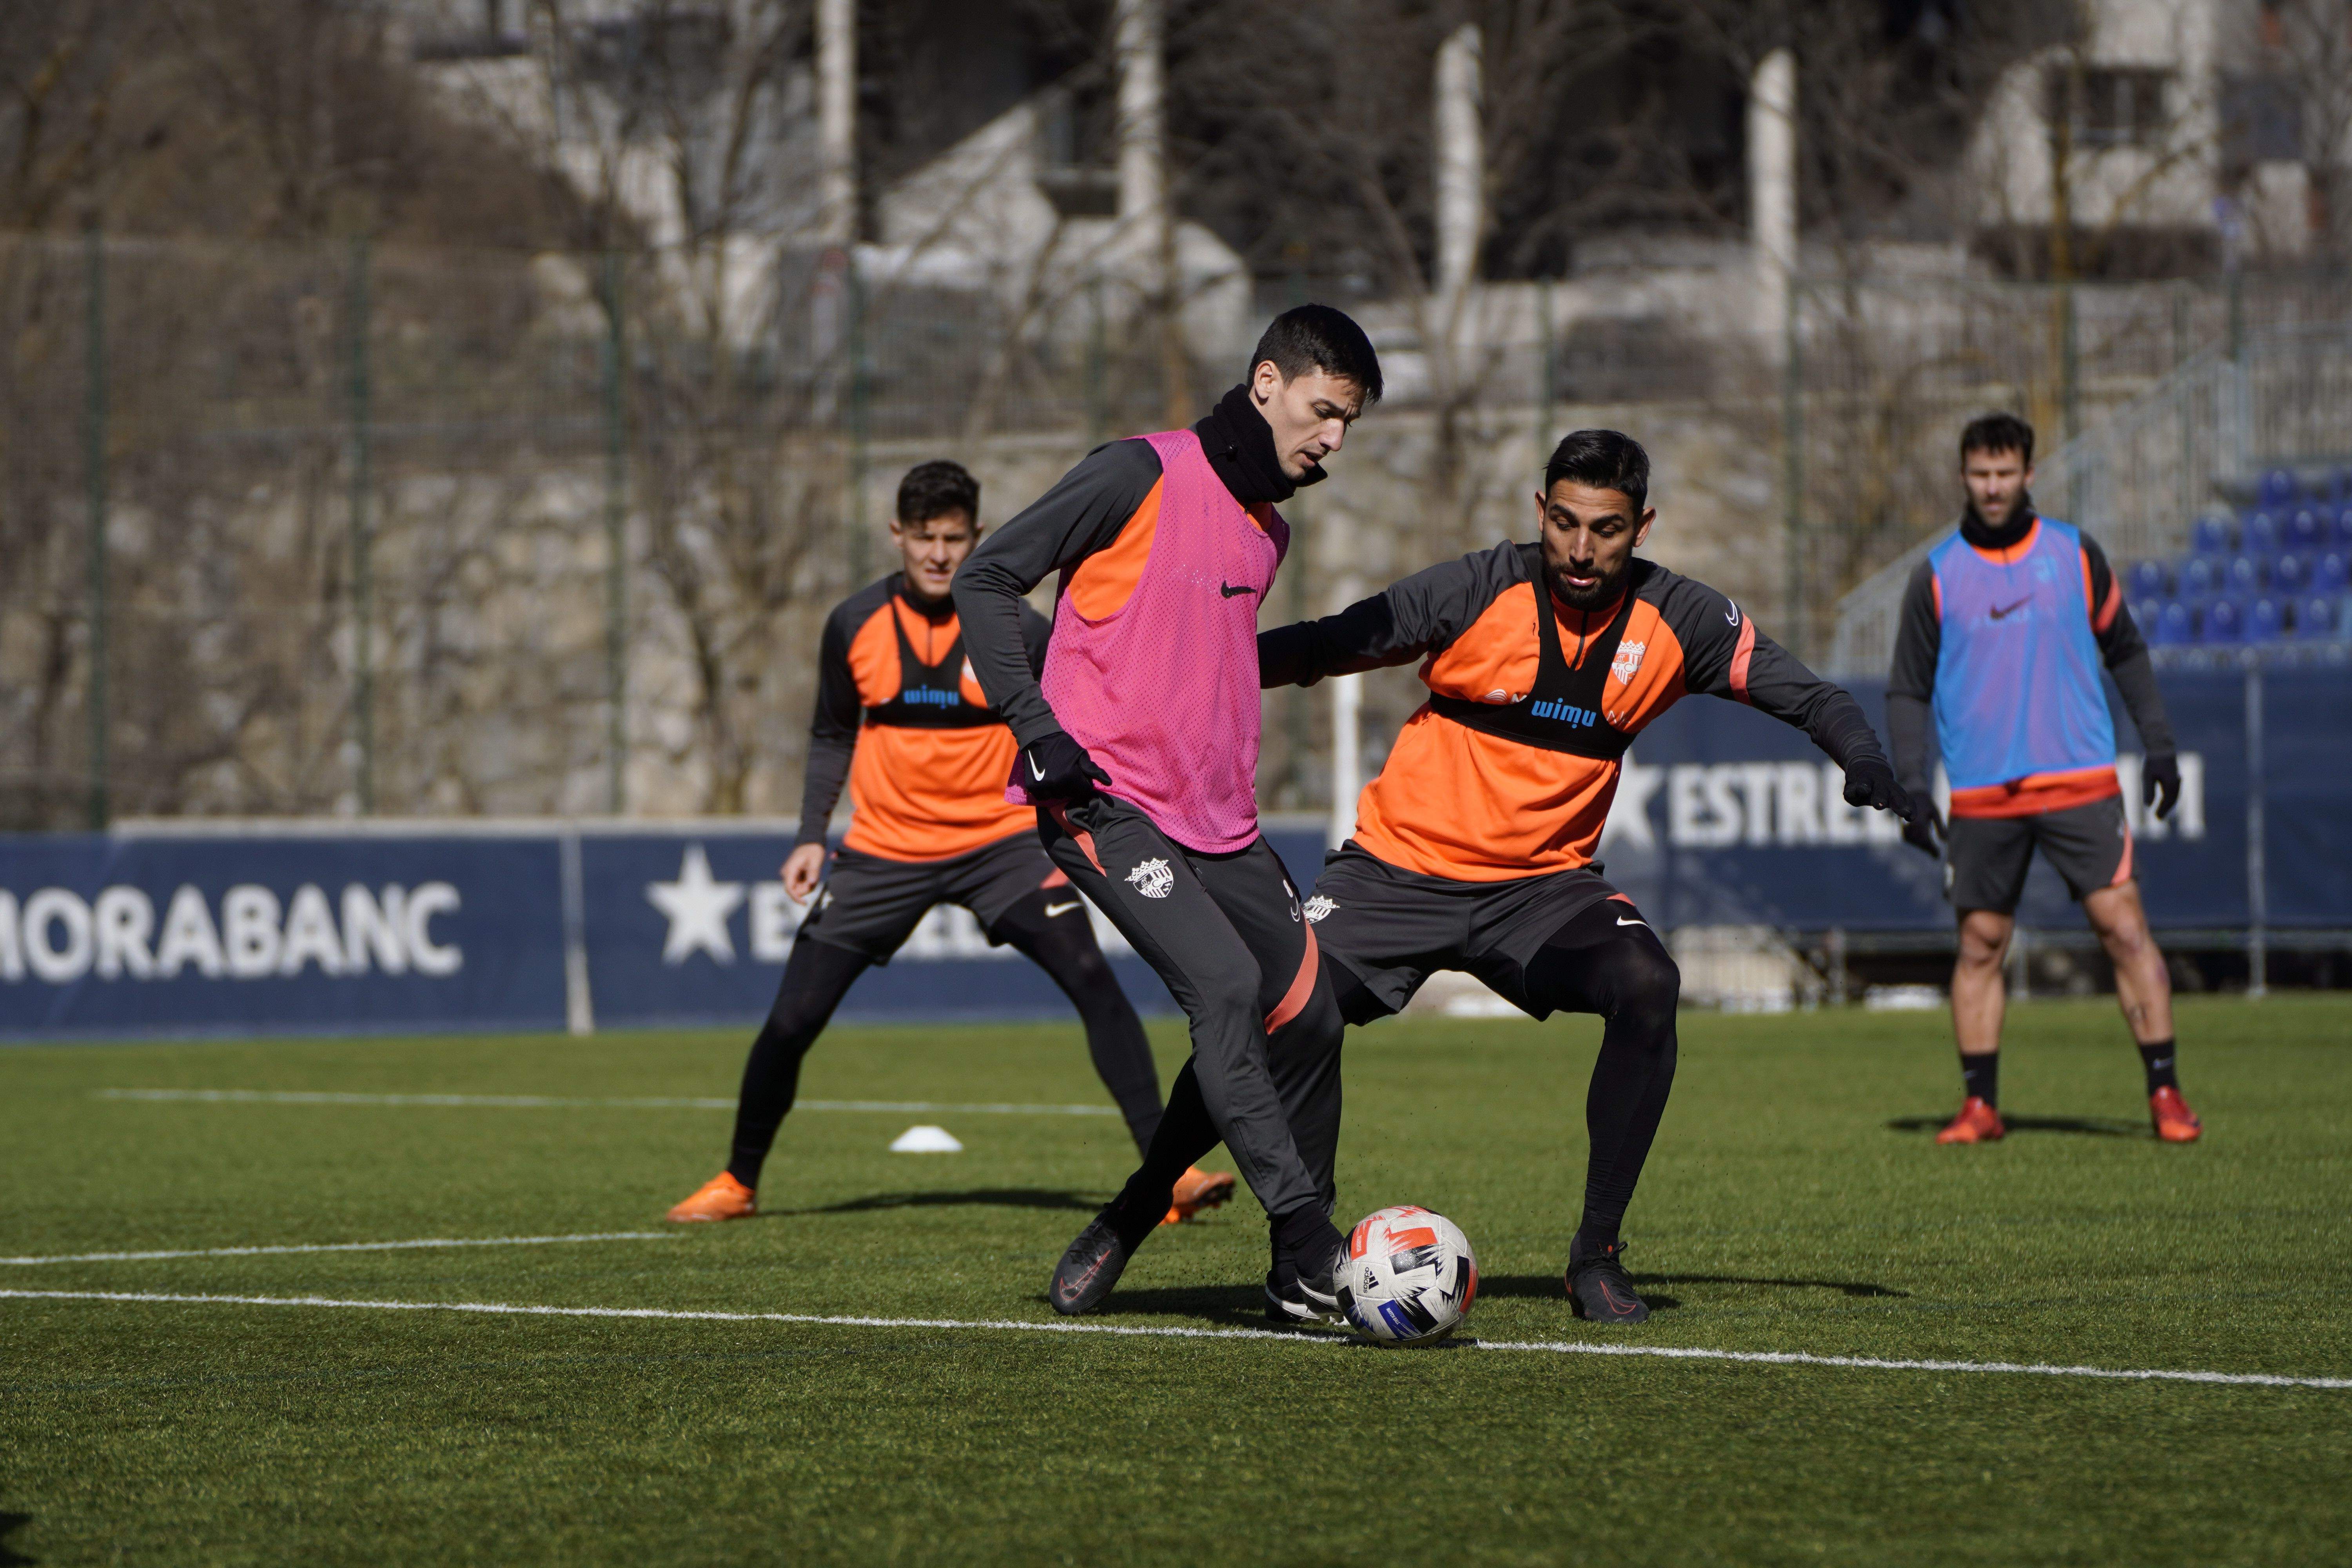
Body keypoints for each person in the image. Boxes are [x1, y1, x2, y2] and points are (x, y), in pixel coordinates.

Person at [1081, 428, 1924, 1327]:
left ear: (1643, 527)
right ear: (1540, 512)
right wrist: (1184, 668)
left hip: (1541, 892)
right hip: (1396, 874)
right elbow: (1330, 643)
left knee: (1648, 982)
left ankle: (1596, 1257)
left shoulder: (1682, 619)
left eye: (1606, 528)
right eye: (1564, 522)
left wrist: (1865, 755)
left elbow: (1814, 696)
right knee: (1274, 1008)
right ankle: (1138, 1205)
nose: (1581, 548)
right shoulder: (1477, 588)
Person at [668, 461, 1232, 1223]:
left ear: (978, 536)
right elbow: (832, 734)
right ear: (897, 535)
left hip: (1005, 848)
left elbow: (1073, 727)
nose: (939, 554)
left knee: (1092, 980)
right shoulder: (853, 624)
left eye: (954, 538)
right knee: (794, 1018)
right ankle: (738, 1181)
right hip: (883, 852)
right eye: (924, 537)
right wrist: (810, 835)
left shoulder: (1018, 628)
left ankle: (1170, 1176)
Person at [953, 306, 1376, 1320]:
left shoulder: (1270, 530)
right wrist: (1038, 728)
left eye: (1349, 423)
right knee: (1225, 990)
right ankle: (1307, 1237)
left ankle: (1145, 1212)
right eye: (1323, 410)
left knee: (1312, 1015)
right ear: (1267, 383)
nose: (1333, 438)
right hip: (1103, 803)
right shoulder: (1135, 471)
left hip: (1223, 822)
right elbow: (987, 576)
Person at [1887, 414, 2201, 1147]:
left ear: (2029, 475)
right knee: (1980, 944)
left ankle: (2166, 1094)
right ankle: (1980, 1106)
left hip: (2080, 781)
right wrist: (1912, 785)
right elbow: (1907, 689)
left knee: (2125, 930)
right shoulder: (1937, 574)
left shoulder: (2074, 553)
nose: (1993, 487)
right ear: (1963, 477)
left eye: (2006, 473)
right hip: (1982, 791)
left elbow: (2127, 651)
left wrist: (2159, 747)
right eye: (1981, 474)